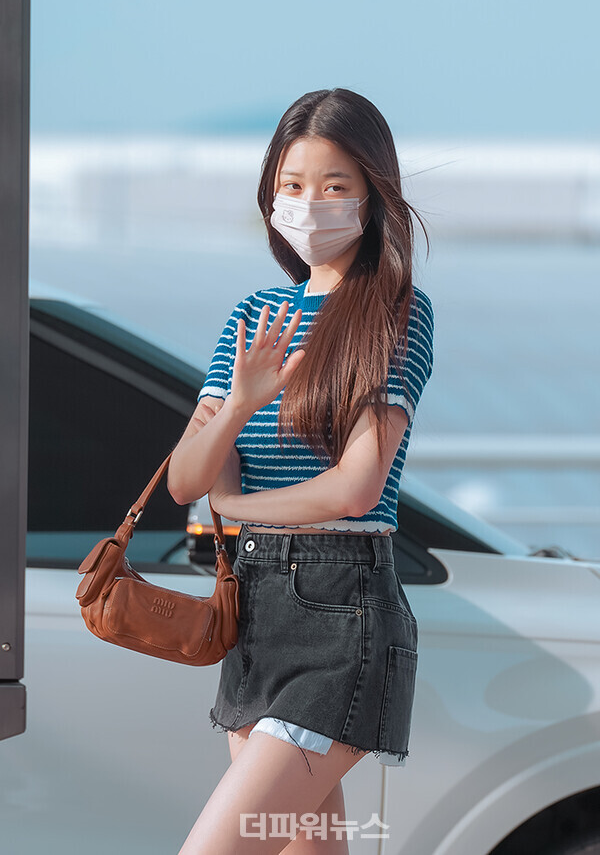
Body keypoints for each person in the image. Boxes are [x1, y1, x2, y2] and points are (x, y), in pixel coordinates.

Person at [167, 87, 434, 855]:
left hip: (341, 617)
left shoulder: (395, 311)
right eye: (292, 186)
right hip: (253, 620)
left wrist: (240, 505)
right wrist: (244, 401)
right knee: (306, 851)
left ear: (373, 196)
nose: (308, 204)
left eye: (334, 186)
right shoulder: (250, 315)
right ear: (269, 195)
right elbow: (188, 483)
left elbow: (356, 489)